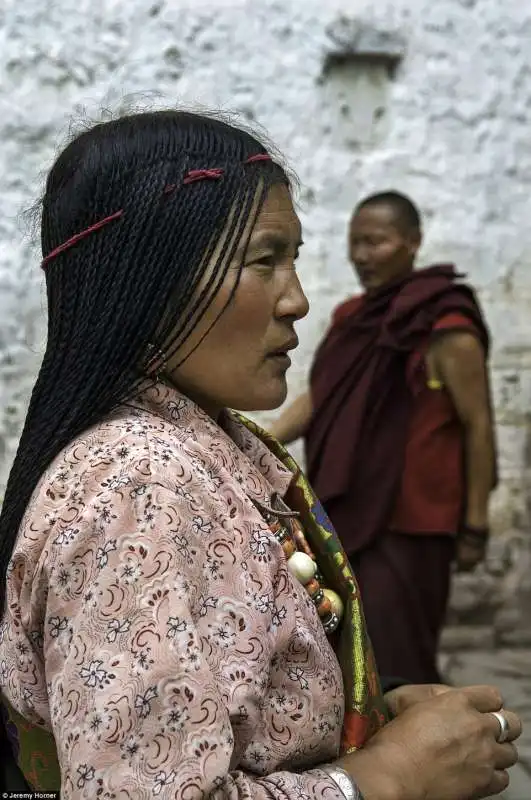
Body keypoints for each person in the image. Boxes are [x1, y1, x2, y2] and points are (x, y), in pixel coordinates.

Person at [0, 115, 519, 800]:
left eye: (295, 257)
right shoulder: (136, 484)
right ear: (154, 276)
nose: (297, 299)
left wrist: (352, 717)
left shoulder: (208, 443)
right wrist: (389, 776)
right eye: (264, 259)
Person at [270, 191, 497, 686]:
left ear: (413, 243)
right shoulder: (352, 318)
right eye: (355, 243)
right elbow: (323, 397)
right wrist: (259, 439)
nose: (361, 255)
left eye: (377, 241)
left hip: (412, 523)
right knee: (348, 650)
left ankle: (424, 750)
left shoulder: (447, 327)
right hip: (348, 509)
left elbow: (478, 425)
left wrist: (475, 524)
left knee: (400, 661)